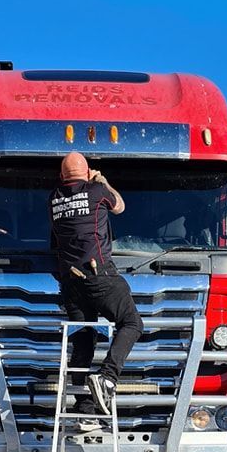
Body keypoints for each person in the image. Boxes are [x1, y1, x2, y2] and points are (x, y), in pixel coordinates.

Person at [49, 152, 143, 419]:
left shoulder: (53, 198)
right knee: (132, 323)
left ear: (61, 176)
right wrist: (103, 180)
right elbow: (120, 207)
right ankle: (108, 378)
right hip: (98, 274)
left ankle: (83, 408)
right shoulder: (97, 191)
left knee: (84, 342)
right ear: (88, 171)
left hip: (70, 283)